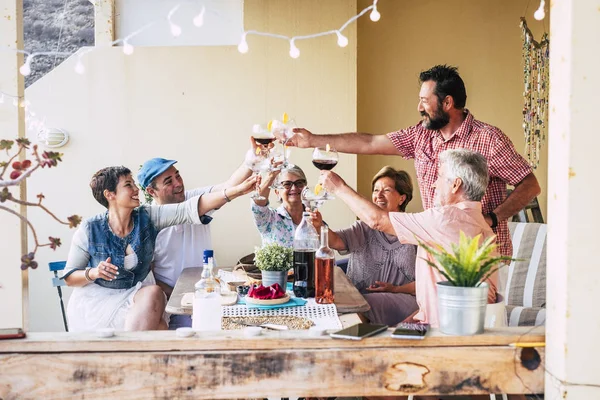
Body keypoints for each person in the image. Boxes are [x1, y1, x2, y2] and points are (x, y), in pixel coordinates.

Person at [289, 64, 541, 258]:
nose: (419, 107)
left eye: (424, 100)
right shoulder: (421, 134)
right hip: (435, 251)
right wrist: (312, 140)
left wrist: (492, 219)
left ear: (447, 102)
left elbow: (530, 185)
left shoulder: (489, 139)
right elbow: (370, 143)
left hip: (480, 257)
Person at [62, 165, 256, 332]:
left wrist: (236, 192)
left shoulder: (148, 216)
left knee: (154, 293)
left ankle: (130, 355)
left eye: (134, 183)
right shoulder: (89, 229)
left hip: (136, 295)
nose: (136, 189)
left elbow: (187, 209)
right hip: (98, 303)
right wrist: (95, 272)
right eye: (128, 185)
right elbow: (70, 277)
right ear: (110, 194)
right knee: (161, 329)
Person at [319, 149, 498, 328]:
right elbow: (435, 297)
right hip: (462, 328)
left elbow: (378, 220)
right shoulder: (481, 225)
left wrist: (338, 187)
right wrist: (405, 324)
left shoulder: (447, 218)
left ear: (455, 185)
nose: (435, 184)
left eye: (441, 176)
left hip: (445, 336)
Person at [138, 140, 263, 329]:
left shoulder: (193, 199)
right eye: (169, 181)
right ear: (151, 191)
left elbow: (228, 185)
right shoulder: (148, 222)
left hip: (210, 297)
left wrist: (252, 159)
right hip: (174, 308)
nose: (178, 184)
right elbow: (151, 275)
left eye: (177, 176)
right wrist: (183, 296)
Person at [309, 166, 418, 326]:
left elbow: (428, 282)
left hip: (403, 300)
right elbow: (336, 242)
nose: (378, 195)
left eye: (386, 190)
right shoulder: (363, 227)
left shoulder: (415, 229)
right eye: (375, 190)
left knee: (357, 306)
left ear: (402, 198)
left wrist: (395, 289)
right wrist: (319, 226)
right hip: (357, 299)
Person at [251, 165, 308, 247]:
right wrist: (271, 175)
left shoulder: (314, 219)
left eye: (299, 183)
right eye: (287, 184)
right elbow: (257, 205)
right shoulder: (269, 219)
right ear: (277, 192)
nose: (294, 188)